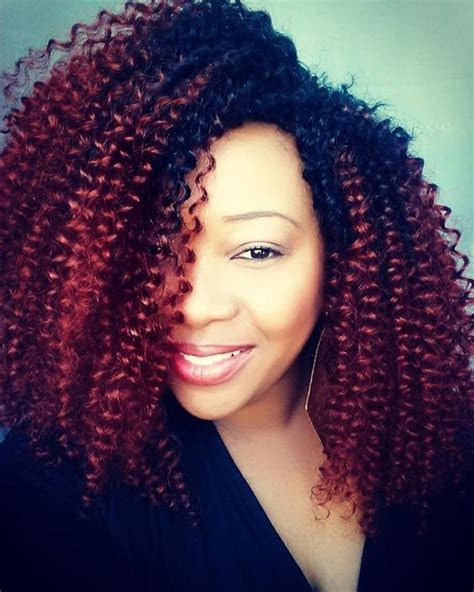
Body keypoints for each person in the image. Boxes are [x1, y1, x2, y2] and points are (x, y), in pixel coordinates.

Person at [0, 1, 472, 591]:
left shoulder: (437, 440)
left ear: (342, 257)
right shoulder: (56, 485)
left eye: (257, 251)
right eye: (156, 248)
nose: (194, 305)